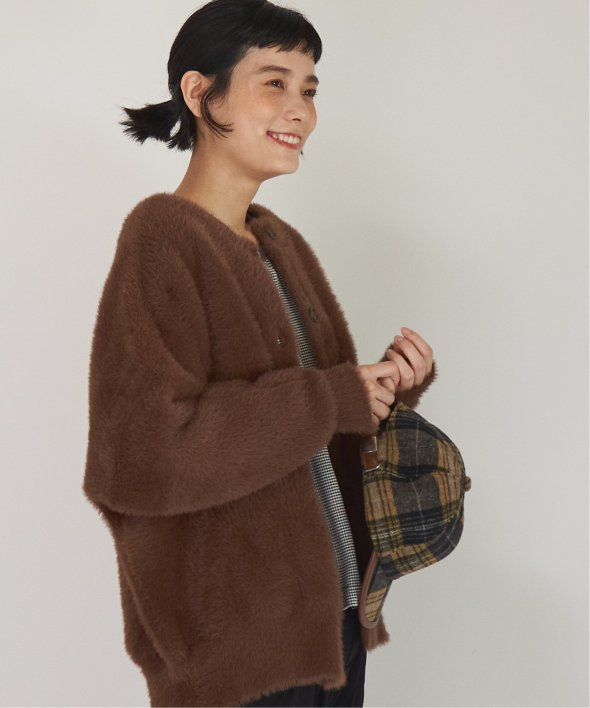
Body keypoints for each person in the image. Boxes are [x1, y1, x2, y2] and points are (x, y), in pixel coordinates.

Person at [83, 1, 436, 706]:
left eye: (309, 88)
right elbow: (144, 457)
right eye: (274, 82)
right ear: (199, 92)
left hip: (332, 624)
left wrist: (382, 391)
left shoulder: (278, 242)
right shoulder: (160, 241)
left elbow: (318, 428)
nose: (300, 110)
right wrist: (332, 396)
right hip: (237, 655)